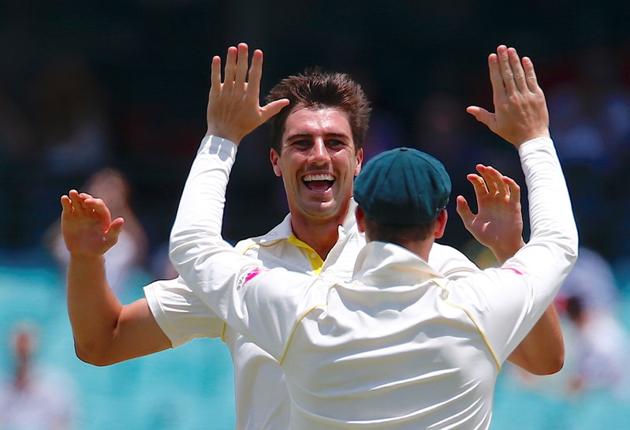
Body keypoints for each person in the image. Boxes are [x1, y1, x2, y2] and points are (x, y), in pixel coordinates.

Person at [62, 44, 563, 429]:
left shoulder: (433, 263)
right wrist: (86, 259)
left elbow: (544, 361)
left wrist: (509, 250)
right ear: (276, 162)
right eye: (301, 143)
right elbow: (102, 342)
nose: (319, 155)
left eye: (335, 143)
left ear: (360, 161)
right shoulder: (247, 266)